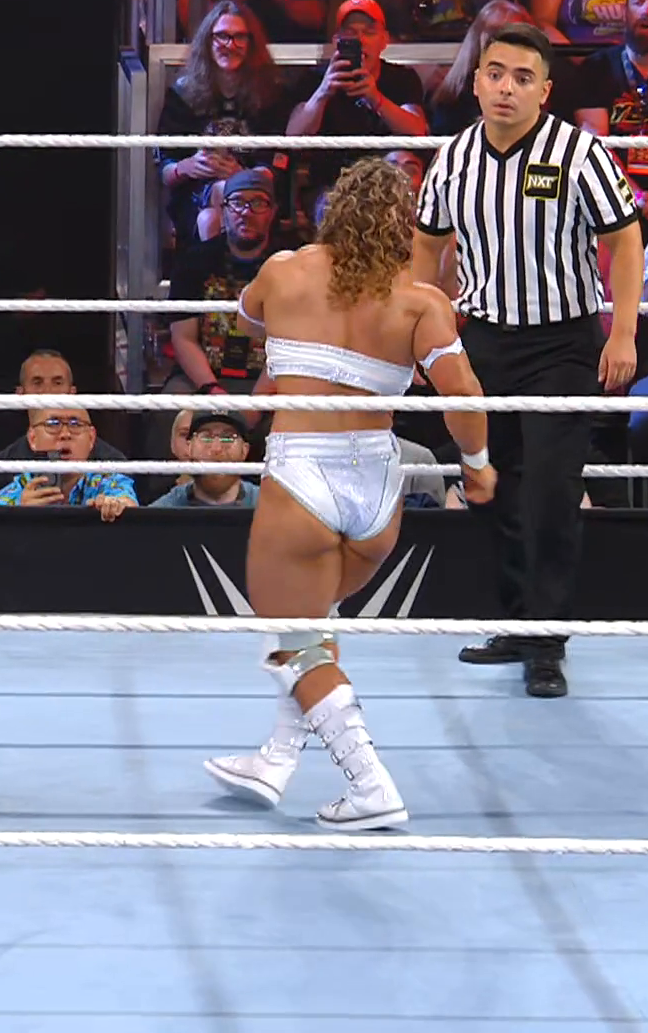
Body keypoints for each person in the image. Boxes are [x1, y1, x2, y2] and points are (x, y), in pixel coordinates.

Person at [202, 158, 494, 831]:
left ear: (332, 211)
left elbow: (247, 321)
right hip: (379, 490)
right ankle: (275, 759)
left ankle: (370, 785)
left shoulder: (283, 271)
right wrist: (476, 467)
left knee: (292, 642)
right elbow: (464, 394)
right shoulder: (421, 302)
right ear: (405, 225)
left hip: (302, 475)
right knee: (311, 623)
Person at [410, 22, 644, 699]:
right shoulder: (453, 158)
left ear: (545, 90)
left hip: (562, 343)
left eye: (521, 77)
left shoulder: (579, 153)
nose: (505, 88)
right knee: (491, 486)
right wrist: (425, 330)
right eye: (495, 73)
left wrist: (623, 332)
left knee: (548, 490)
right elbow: (426, 248)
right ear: (476, 81)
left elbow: (627, 240)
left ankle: (546, 641)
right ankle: (518, 621)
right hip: (483, 342)